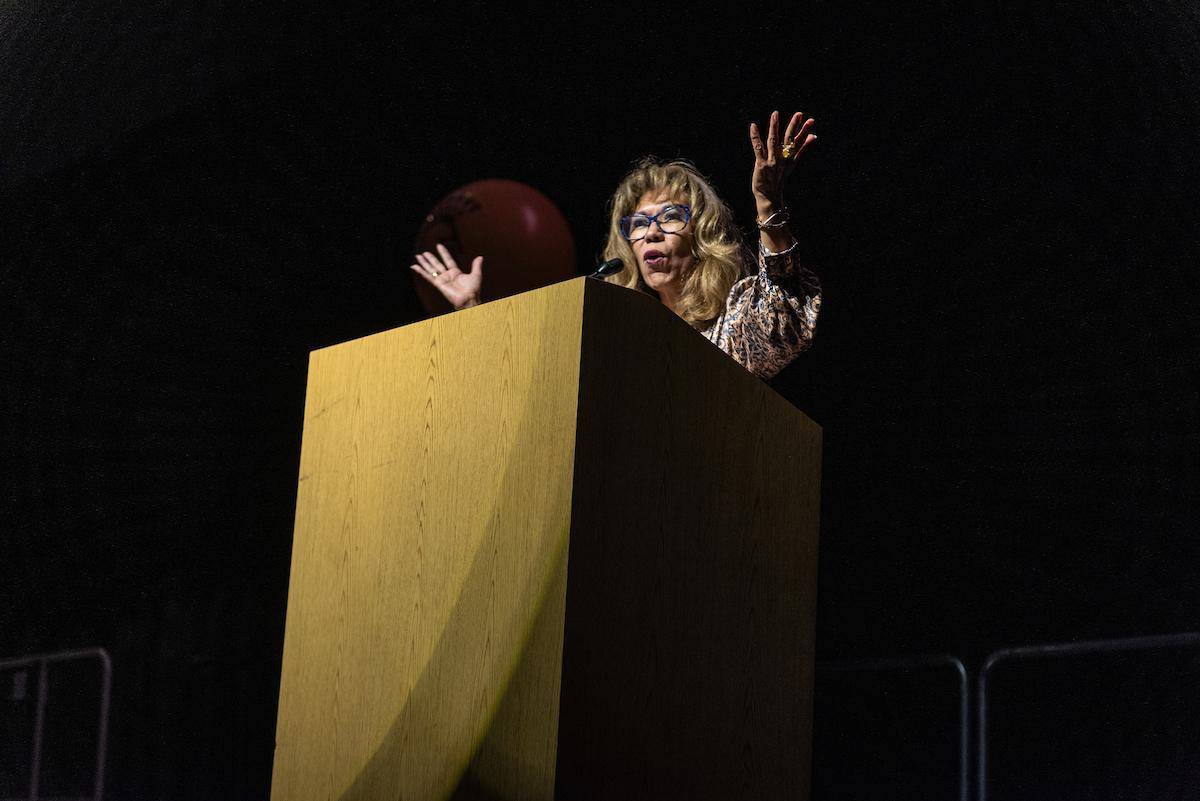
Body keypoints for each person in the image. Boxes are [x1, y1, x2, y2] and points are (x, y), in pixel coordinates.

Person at [410, 110, 821, 380]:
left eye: (670, 218)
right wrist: (471, 310)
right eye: (639, 224)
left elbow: (782, 324)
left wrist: (768, 206)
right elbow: (534, 388)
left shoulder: (732, 327)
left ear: (702, 237)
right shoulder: (616, 347)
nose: (651, 233)